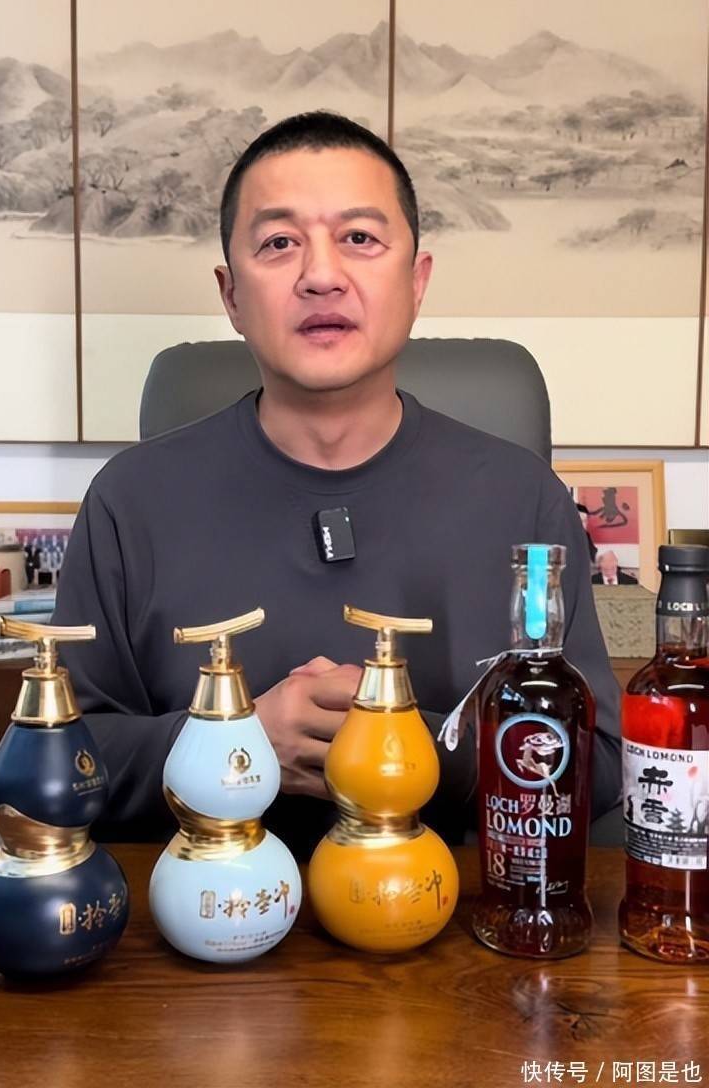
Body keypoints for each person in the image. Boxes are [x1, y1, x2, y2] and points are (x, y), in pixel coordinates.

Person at [54, 111, 621, 855]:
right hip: (196, 907)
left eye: (359, 237)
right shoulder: (129, 501)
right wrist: (232, 744)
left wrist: (411, 750)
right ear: (231, 295)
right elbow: (64, 762)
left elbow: (598, 763)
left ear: (416, 281)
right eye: (279, 243)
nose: (321, 276)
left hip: (458, 913)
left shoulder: (523, 498)